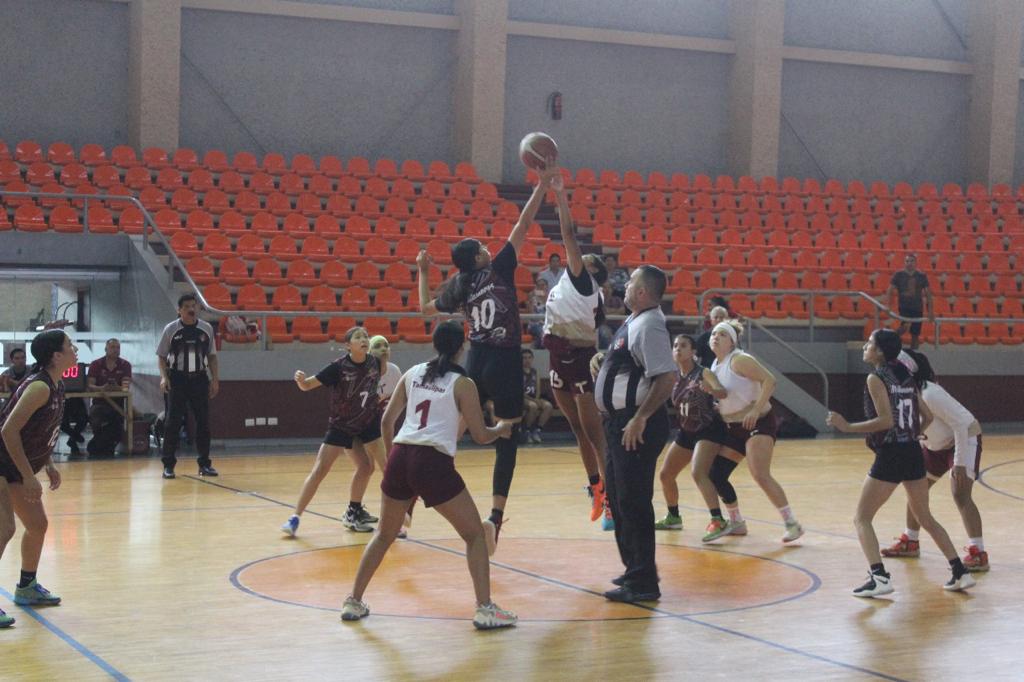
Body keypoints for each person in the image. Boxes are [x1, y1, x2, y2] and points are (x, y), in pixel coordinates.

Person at [417, 162, 556, 555]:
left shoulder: (459, 285)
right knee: (507, 435)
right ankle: (495, 517)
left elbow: (426, 310)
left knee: (456, 427)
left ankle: (419, 486)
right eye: (480, 247)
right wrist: (541, 186)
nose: (486, 247)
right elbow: (525, 223)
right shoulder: (499, 269)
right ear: (478, 258)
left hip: (476, 359)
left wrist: (423, 272)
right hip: (506, 360)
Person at [340, 321, 517, 630]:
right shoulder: (463, 384)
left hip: (400, 455)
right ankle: (485, 608)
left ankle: (353, 600)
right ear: (461, 347)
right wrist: (501, 429)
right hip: (431, 461)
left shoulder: (412, 373)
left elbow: (386, 421)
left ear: (434, 344)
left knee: (384, 534)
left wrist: (387, 458)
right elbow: (479, 435)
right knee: (475, 535)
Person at [826, 329, 974, 597]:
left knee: (862, 518)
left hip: (892, 453)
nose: (864, 347)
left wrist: (847, 427)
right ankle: (959, 571)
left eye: (869, 344)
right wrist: (914, 433)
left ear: (880, 351)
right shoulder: (907, 374)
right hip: (912, 452)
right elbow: (926, 416)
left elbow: (886, 421)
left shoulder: (876, 377)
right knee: (925, 517)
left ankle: (879, 577)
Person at [592, 265, 676, 602]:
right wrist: (604, 362)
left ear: (642, 292)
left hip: (634, 426)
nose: (624, 286)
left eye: (630, 283)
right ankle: (635, 569)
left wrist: (640, 418)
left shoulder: (651, 324)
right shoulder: (635, 321)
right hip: (619, 424)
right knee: (619, 496)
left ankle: (644, 582)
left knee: (634, 499)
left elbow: (665, 378)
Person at [692, 320, 804, 543]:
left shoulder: (740, 359)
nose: (715, 336)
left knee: (759, 473)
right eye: (714, 333)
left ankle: (792, 523)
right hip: (734, 427)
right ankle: (736, 522)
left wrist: (755, 408)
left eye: (722, 334)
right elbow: (729, 396)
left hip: (759, 423)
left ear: (732, 341)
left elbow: (770, 380)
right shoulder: (715, 365)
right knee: (717, 475)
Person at [543, 170, 612, 527]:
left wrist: (560, 195)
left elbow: (568, 235)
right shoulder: (575, 284)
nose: (579, 258)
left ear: (593, 271)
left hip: (580, 358)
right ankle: (596, 487)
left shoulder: (583, 281)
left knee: (592, 431)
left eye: (588, 260)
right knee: (576, 428)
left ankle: (612, 494)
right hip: (559, 356)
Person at [880, 349, 988, 571]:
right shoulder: (904, 391)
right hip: (933, 445)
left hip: (964, 438)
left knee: (960, 494)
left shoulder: (930, 393)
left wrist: (958, 462)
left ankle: (978, 553)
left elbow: (960, 424)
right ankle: (910, 541)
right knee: (914, 488)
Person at [0, 330, 76, 628]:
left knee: (37, 525)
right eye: (69, 345)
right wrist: (29, 475)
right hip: (4, 465)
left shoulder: (56, 385)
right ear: (56, 355)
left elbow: (40, 432)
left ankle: (26, 587)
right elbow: (7, 431)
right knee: (4, 528)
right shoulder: (39, 387)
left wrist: (49, 464)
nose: (74, 349)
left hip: (17, 467)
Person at [281, 327, 387, 537]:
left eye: (365, 336)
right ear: (348, 345)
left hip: (368, 422)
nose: (364, 340)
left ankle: (356, 511)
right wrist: (301, 380)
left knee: (370, 467)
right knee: (320, 470)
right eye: (358, 337)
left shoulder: (375, 363)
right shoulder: (338, 368)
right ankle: (295, 517)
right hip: (342, 424)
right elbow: (308, 385)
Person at [654, 335, 745, 532]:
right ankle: (673, 517)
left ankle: (718, 519)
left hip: (708, 429)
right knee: (665, 474)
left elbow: (722, 392)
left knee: (698, 472)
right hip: (686, 430)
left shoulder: (703, 373)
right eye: (675, 346)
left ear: (693, 352)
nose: (678, 349)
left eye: (683, 346)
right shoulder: (674, 377)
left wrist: (712, 389)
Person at [157, 294, 219, 479]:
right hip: (177, 379)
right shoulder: (171, 329)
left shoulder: (206, 329)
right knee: (172, 423)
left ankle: (204, 464)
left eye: (194, 305)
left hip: (199, 379)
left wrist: (215, 379)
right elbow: (161, 356)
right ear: (179, 310)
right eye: (187, 306)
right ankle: (168, 465)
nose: (191, 309)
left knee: (203, 422)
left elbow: (212, 356)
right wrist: (163, 377)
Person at [86, 338, 132, 457]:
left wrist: (117, 387)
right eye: (112, 347)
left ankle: (98, 446)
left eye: (118, 348)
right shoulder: (96, 364)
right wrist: (101, 388)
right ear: (106, 349)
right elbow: (90, 385)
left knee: (117, 429)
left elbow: (126, 387)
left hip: (118, 404)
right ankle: (98, 445)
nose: (116, 350)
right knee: (96, 419)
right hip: (99, 403)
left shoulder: (125, 365)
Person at [885, 254, 932, 350]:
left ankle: (914, 354)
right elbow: (890, 290)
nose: (909, 263)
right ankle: (890, 339)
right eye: (907, 261)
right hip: (904, 306)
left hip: (917, 308)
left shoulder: (921, 276)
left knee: (915, 334)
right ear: (904, 263)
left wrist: (930, 310)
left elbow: (928, 293)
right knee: (905, 326)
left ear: (915, 262)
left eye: (911, 261)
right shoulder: (898, 275)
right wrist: (887, 305)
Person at [520, 349, 552, 444]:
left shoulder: (535, 372)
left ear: (532, 359)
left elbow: (538, 388)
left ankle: (537, 430)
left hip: (534, 397)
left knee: (548, 406)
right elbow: (520, 391)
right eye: (524, 358)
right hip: (523, 398)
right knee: (533, 406)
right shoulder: (518, 372)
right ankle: (527, 430)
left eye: (529, 357)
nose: (527, 360)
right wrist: (534, 400)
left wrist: (537, 399)